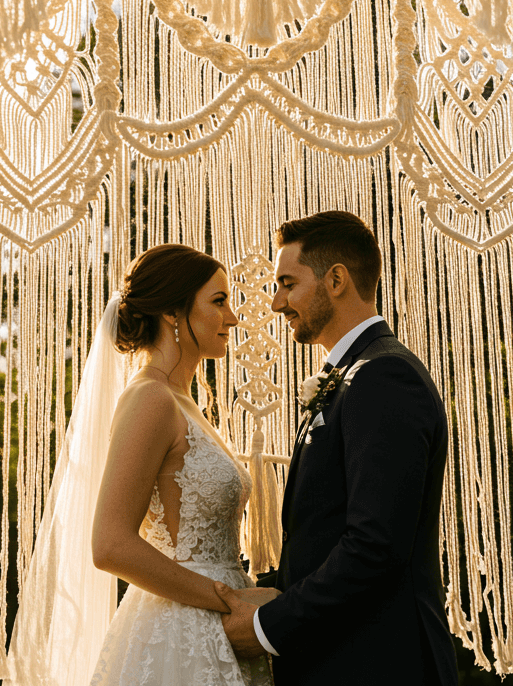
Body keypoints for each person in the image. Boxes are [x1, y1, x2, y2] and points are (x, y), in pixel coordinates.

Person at [5, 243, 274, 686]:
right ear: (173, 312)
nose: (232, 318)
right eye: (219, 301)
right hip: (181, 629)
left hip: (221, 624)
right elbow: (110, 544)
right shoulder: (150, 399)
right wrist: (229, 599)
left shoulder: (186, 403)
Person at [215, 211, 459, 686]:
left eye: (288, 282)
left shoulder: (385, 378)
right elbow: (322, 540)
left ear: (337, 279)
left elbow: (375, 546)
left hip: (380, 663)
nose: (277, 301)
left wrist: (267, 627)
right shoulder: (354, 374)